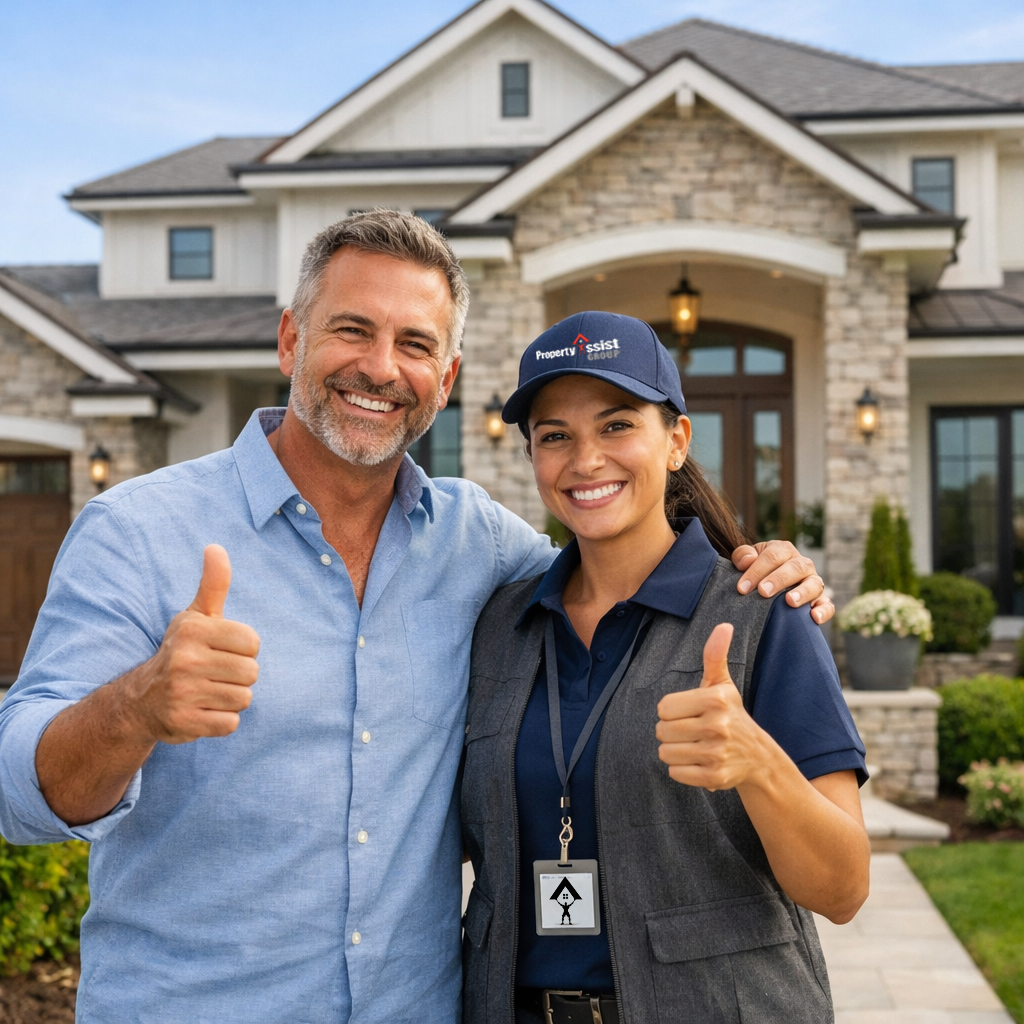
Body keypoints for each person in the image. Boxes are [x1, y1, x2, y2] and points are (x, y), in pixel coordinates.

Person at [0, 212, 833, 1024]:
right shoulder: (140, 532)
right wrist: (136, 706)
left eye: (415, 344)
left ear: (448, 376)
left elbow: (622, 565)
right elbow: (21, 794)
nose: (380, 368)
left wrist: (754, 573)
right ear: (291, 339)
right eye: (352, 330)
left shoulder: (483, 550)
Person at [460, 311, 870, 1024]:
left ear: (676, 440)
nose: (586, 460)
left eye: (617, 425)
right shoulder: (500, 626)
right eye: (555, 436)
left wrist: (758, 762)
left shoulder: (762, 613)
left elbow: (843, 890)